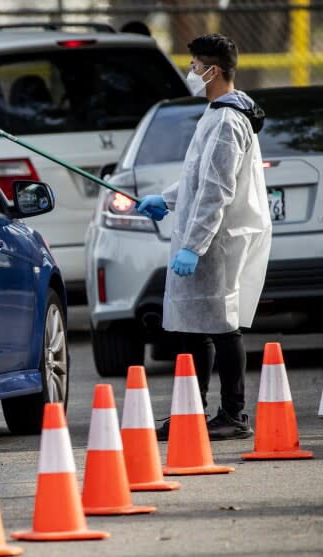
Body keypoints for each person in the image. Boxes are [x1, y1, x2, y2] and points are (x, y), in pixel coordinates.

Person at [137, 34, 272, 441]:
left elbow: (217, 190)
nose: (191, 72)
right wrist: (166, 199)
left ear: (212, 70)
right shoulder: (216, 114)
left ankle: (233, 414)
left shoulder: (228, 120)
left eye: (195, 65)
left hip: (217, 241)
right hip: (207, 239)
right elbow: (198, 179)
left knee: (222, 325)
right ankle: (191, 413)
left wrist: (193, 246)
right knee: (196, 328)